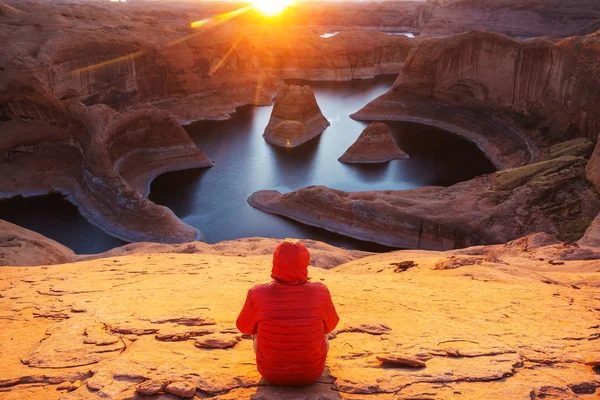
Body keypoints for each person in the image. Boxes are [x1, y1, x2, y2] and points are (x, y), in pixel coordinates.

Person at [236, 239, 339, 386]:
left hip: (270, 373)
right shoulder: (320, 291)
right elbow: (331, 326)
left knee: (257, 325)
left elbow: (244, 328)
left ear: (276, 262)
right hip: (312, 374)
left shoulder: (257, 292)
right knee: (322, 326)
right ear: (305, 262)